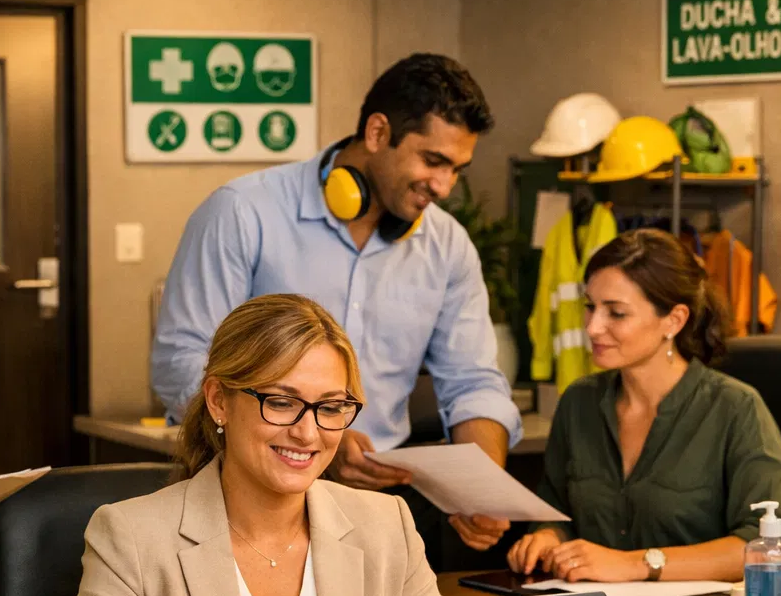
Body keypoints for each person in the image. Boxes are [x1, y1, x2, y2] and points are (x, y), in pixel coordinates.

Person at [151, 54, 522, 569]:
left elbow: (474, 382)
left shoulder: (447, 245)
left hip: (377, 510)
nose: (444, 187)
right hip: (243, 499)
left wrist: (482, 486)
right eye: (432, 161)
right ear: (377, 132)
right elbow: (182, 361)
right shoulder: (242, 213)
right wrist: (320, 435)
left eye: (456, 170)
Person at [61, 295, 442, 596]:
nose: (308, 433)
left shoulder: (386, 525)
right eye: (281, 402)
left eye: (331, 407)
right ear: (219, 400)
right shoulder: (130, 534)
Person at [506, 229, 781, 583]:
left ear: (674, 320)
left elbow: (773, 546)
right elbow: (557, 511)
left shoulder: (736, 409)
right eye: (590, 307)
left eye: (616, 313)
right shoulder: (578, 402)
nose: (593, 327)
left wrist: (634, 564)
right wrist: (547, 537)